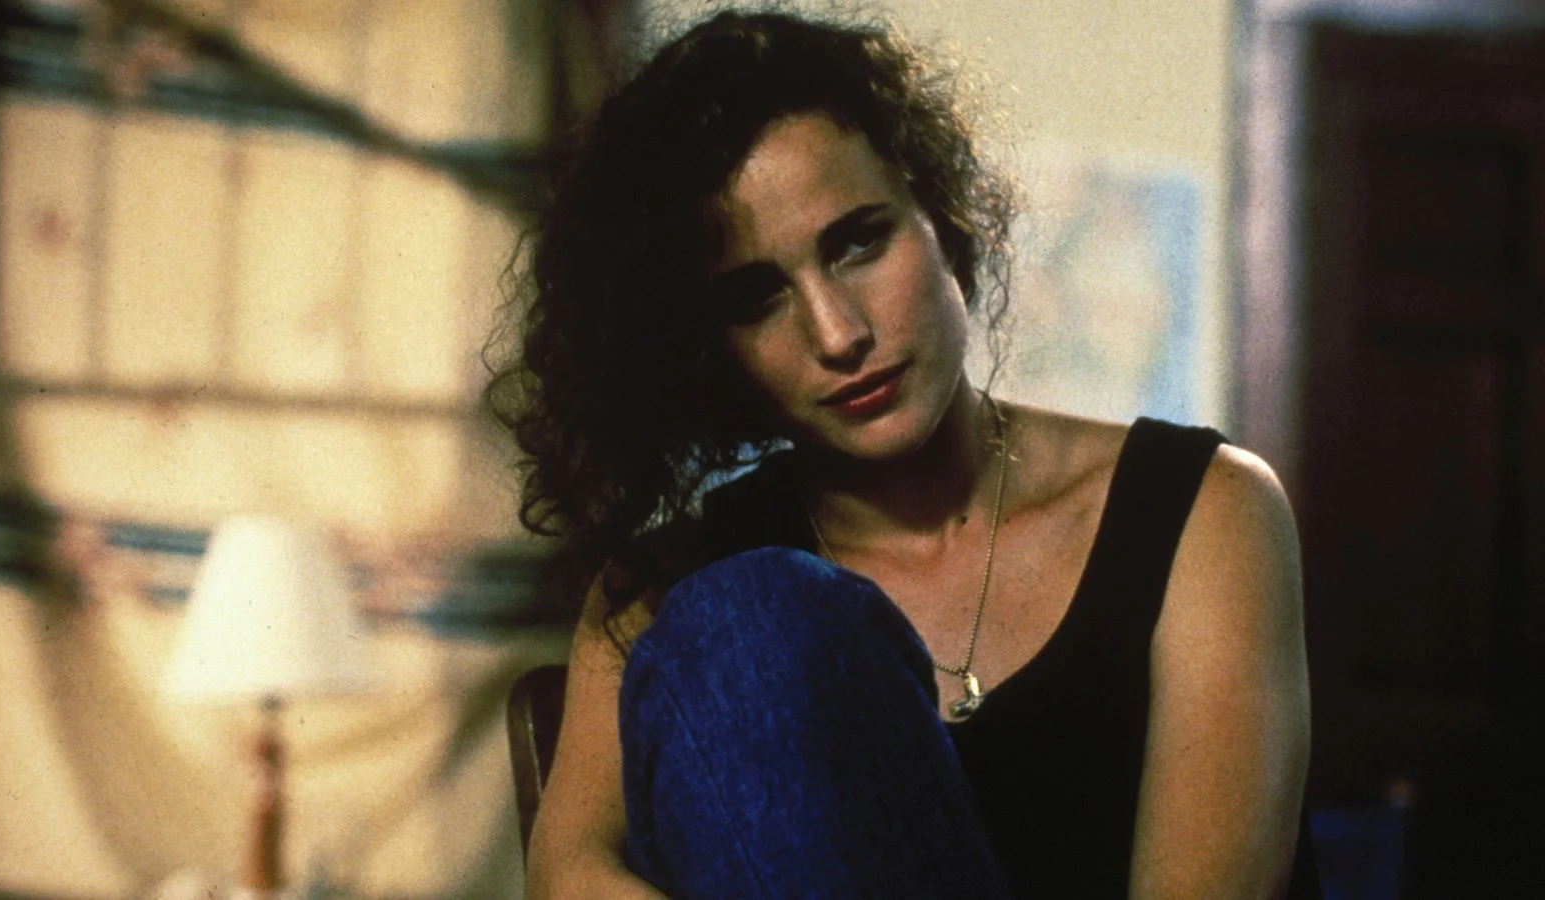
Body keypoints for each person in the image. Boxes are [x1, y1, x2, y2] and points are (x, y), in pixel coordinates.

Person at [486, 9, 1317, 899]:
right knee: (744, 618)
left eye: (858, 242)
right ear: (702, 345)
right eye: (756, 298)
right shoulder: (669, 585)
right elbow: (568, 876)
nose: (837, 334)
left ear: (941, 216)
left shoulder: (1202, 508)